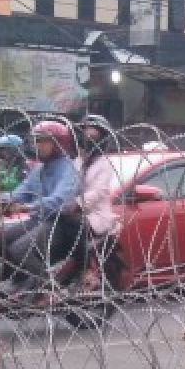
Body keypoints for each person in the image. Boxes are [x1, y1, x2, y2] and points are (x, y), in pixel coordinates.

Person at [0, 121, 81, 296]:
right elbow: (22, 191)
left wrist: (27, 207)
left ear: (58, 143)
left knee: (20, 248)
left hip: (58, 223)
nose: (37, 146)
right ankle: (19, 278)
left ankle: (48, 288)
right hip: (38, 220)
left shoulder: (68, 168)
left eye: (42, 141)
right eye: (36, 141)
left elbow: (61, 201)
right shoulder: (40, 168)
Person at [72, 119, 122, 292]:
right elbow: (69, 184)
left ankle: (85, 271)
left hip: (95, 217)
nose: (88, 139)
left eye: (93, 136)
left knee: (73, 227)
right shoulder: (77, 161)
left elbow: (99, 191)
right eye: (85, 135)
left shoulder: (104, 164)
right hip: (75, 212)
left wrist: (77, 203)